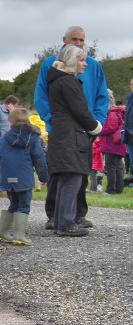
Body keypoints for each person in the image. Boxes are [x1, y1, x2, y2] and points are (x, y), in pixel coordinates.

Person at [34, 26, 108, 229]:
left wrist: (97, 123)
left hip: (86, 128)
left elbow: (102, 96)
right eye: (74, 39)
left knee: (80, 173)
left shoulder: (93, 65)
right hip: (66, 127)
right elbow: (41, 96)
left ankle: (77, 214)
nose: (78, 43)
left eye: (82, 40)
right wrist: (51, 119)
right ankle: (56, 216)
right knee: (62, 173)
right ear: (64, 40)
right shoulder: (52, 66)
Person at [44, 45, 102, 237]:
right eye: (81, 60)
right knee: (73, 177)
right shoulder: (68, 82)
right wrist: (96, 127)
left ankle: (61, 221)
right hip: (71, 136)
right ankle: (67, 222)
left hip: (62, 134)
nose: (85, 64)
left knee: (65, 179)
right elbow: (80, 111)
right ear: (71, 61)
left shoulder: (58, 82)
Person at [0, 107, 48, 245]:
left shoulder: (2, 140)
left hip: (7, 179)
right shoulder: (33, 139)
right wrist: (43, 177)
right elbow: (39, 159)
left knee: (13, 204)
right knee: (23, 205)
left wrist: (3, 173)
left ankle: (3, 232)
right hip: (24, 179)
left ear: (10, 123)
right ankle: (19, 235)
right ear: (27, 122)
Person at [0, 95, 18, 196]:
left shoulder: (10, 113)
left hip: (9, 142)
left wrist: (13, 113)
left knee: (9, 165)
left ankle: (8, 187)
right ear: (10, 104)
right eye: (15, 106)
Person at [99, 90, 126, 194]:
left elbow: (110, 127)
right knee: (118, 167)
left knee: (110, 167)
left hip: (111, 144)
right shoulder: (118, 112)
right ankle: (119, 188)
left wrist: (100, 130)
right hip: (119, 144)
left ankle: (111, 189)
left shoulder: (112, 113)